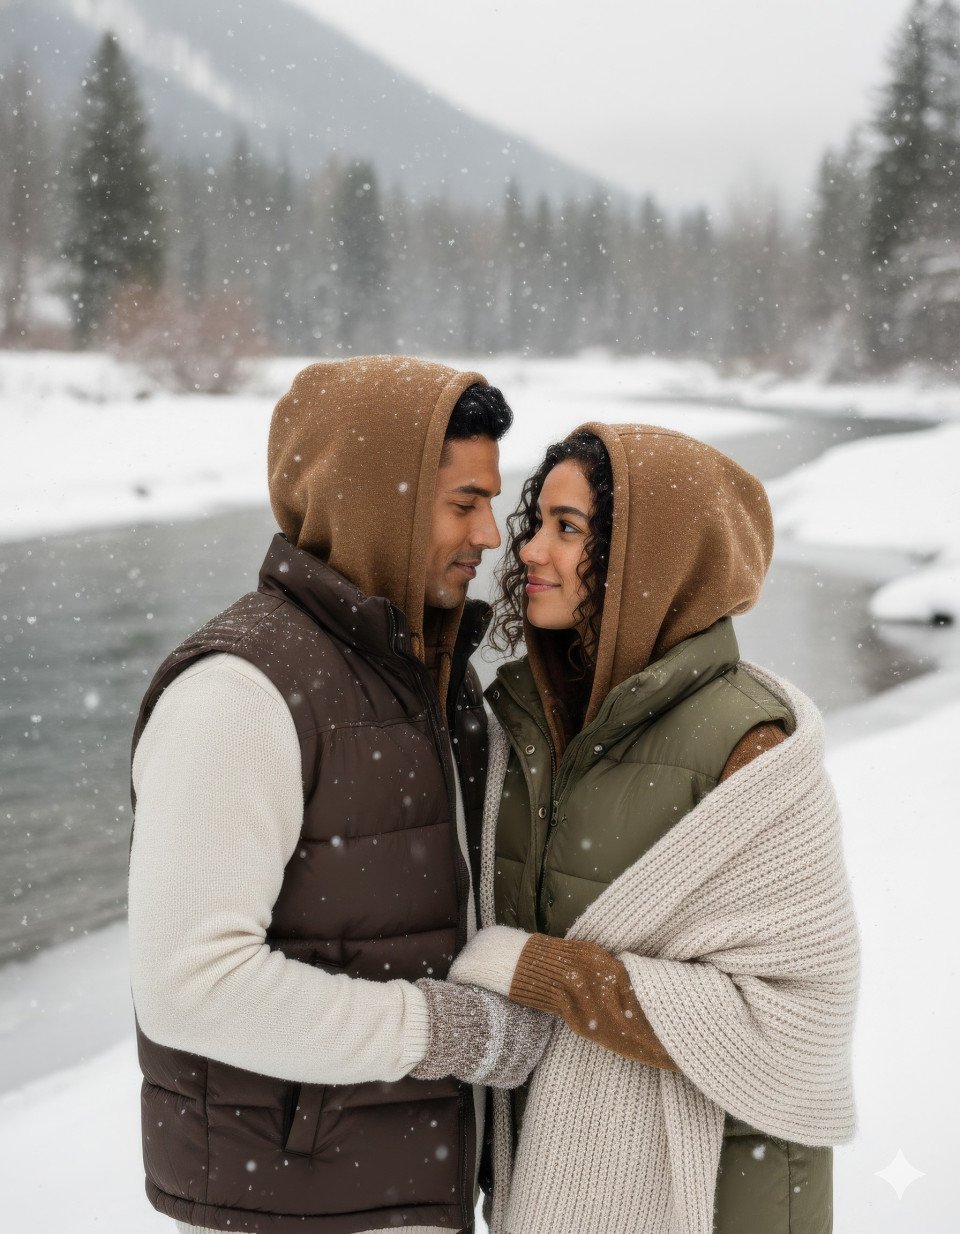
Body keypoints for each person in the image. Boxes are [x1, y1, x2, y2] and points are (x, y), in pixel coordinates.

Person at [126, 357, 551, 1234]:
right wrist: (441, 1033)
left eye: (491, 502)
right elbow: (190, 986)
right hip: (290, 1206)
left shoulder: (425, 674)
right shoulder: (239, 693)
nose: (490, 535)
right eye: (463, 503)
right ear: (378, 500)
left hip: (396, 1188)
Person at [447, 424, 861, 1234]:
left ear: (651, 561)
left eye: (569, 530)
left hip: (720, 1185)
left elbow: (799, 1022)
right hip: (549, 1169)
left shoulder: (750, 744)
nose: (528, 550)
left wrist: (536, 969)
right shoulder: (519, 723)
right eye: (538, 522)